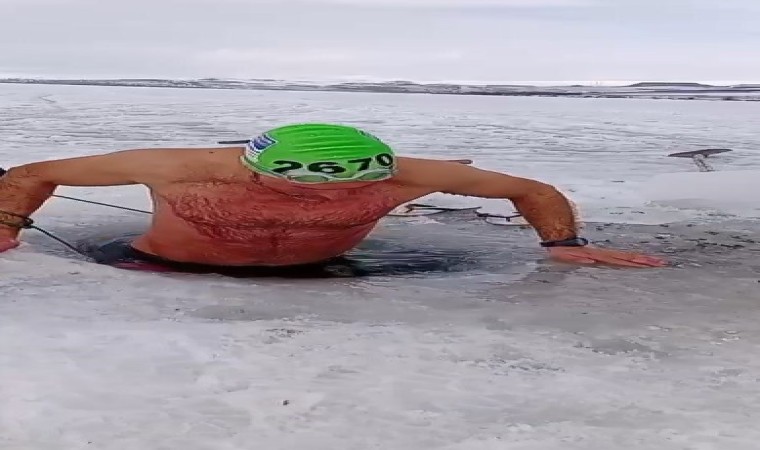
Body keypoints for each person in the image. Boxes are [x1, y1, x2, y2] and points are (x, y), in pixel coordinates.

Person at [0, 123, 666, 274]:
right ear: (256, 169)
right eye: (307, 187)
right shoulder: (176, 167)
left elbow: (530, 189)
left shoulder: (411, 174)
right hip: (155, 270)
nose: (335, 197)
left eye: (355, 187)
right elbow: (33, 172)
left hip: (325, 272)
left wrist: (564, 243)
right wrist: (7, 225)